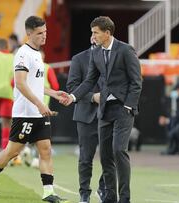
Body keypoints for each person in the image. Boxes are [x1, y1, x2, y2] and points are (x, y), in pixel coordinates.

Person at [0, 16, 68, 203]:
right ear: (29, 33)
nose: (44, 36)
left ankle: (48, 192)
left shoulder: (37, 54)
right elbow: (20, 84)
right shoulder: (23, 54)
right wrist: (40, 104)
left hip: (37, 112)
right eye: (40, 33)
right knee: (12, 151)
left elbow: (34, 84)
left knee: (46, 149)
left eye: (46, 32)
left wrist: (54, 93)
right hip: (25, 113)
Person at [63, 16, 142, 203]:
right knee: (105, 156)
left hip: (124, 109)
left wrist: (129, 106)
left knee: (118, 151)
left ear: (107, 33)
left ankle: (125, 198)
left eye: (95, 32)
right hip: (105, 109)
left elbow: (136, 82)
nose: (93, 36)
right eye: (92, 32)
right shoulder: (96, 53)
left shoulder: (126, 50)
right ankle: (110, 198)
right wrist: (73, 97)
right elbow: (90, 80)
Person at [66, 36, 105, 203]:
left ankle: (103, 189)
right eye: (94, 34)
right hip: (85, 115)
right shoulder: (79, 59)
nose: (96, 37)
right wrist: (92, 97)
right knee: (85, 158)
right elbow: (71, 87)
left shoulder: (113, 58)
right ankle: (84, 194)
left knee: (113, 155)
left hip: (109, 114)